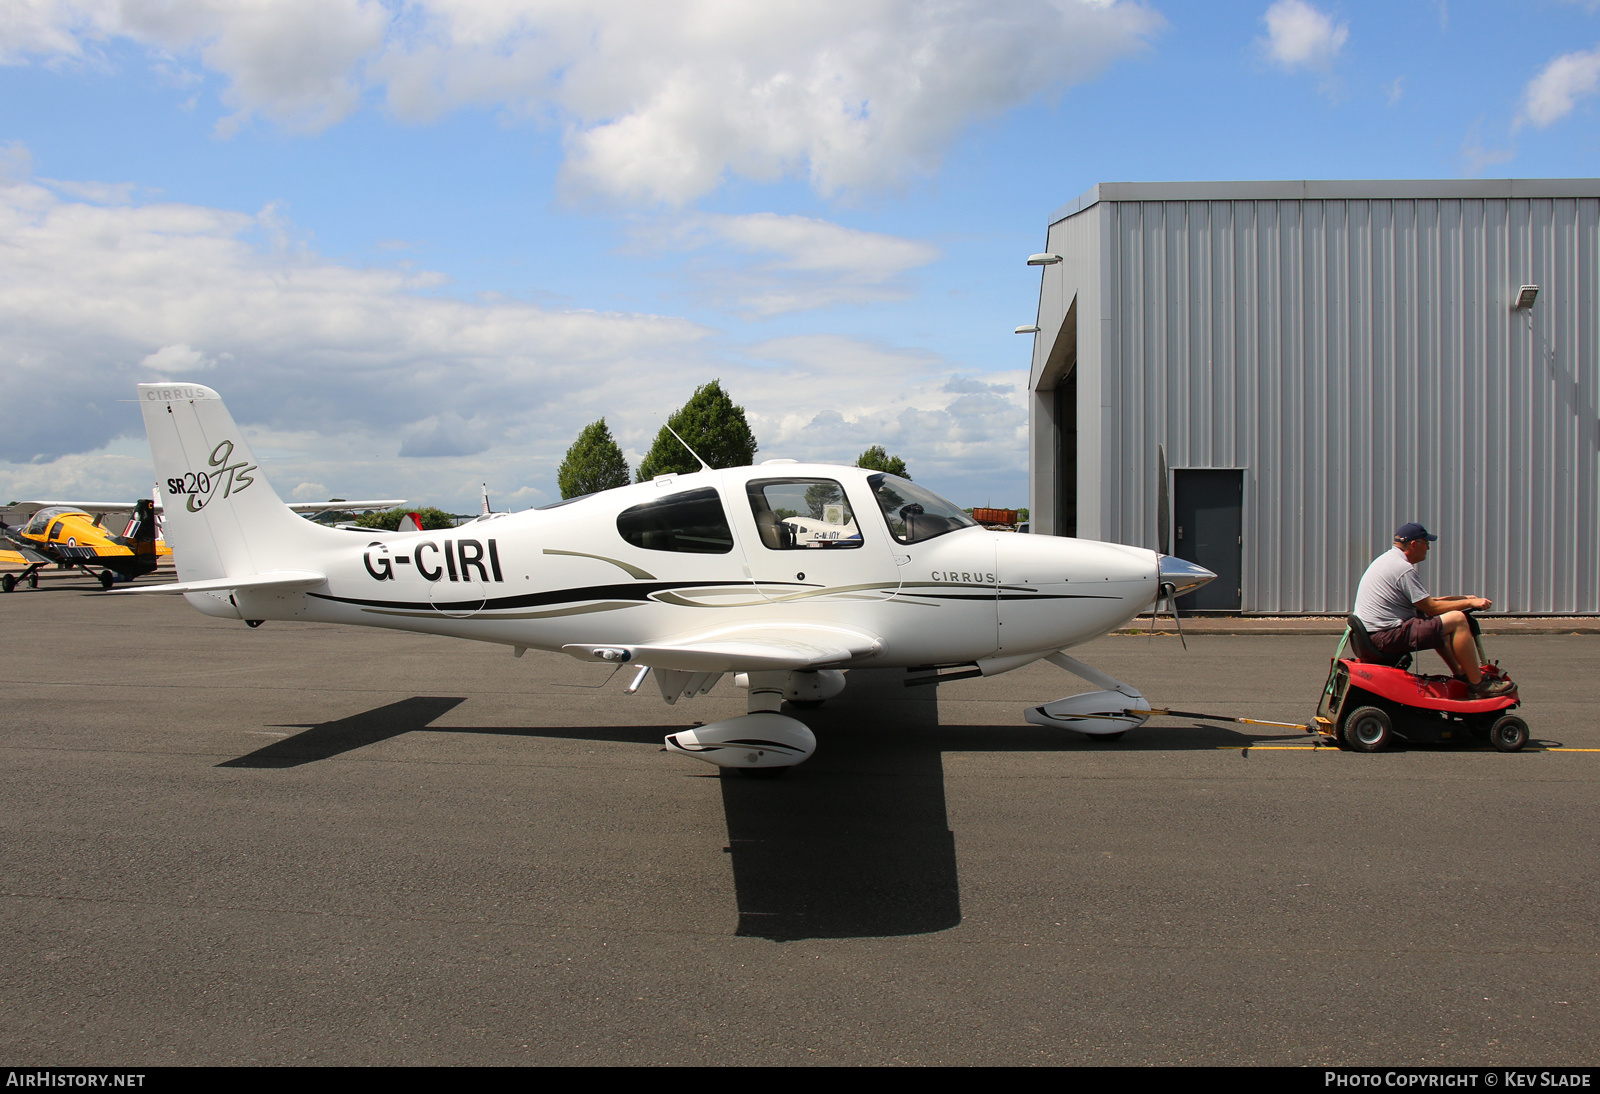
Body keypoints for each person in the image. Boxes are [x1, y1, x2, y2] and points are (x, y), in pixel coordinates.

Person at [1352, 522, 1514, 698]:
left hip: (1375, 635)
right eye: (1426, 542)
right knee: (1457, 620)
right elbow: (1432, 607)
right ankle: (1478, 684)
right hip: (1385, 636)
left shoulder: (1389, 561)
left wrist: (1467, 599)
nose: (1428, 547)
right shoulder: (1403, 569)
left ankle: (1461, 674)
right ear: (1414, 544)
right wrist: (1470, 605)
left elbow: (1428, 602)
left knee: (1438, 621)